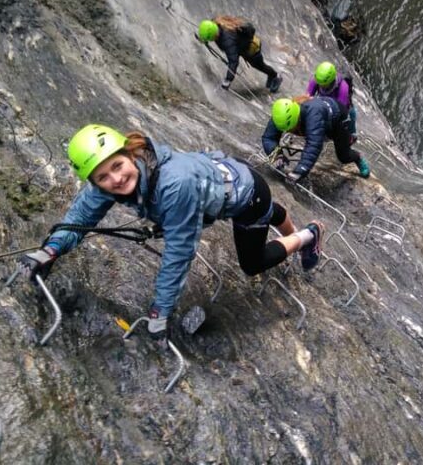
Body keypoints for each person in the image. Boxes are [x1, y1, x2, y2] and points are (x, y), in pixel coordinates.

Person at [18, 124, 323, 345]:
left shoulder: (174, 185)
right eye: (103, 177)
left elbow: (179, 253)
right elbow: (81, 216)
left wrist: (160, 310)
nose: (115, 178)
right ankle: (281, 219)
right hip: (230, 175)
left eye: (117, 166)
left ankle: (308, 235)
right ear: (95, 181)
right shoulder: (118, 174)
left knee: (252, 263)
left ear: (129, 153)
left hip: (244, 197)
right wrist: (51, 248)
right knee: (267, 209)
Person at [262, 97, 370, 182]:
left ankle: (357, 157)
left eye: (291, 128)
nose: (289, 131)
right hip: (322, 109)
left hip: (337, 120)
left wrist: (300, 170)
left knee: (343, 156)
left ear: (298, 118)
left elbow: (314, 145)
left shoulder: (313, 116)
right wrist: (276, 154)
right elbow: (268, 138)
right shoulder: (280, 116)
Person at [197, 16, 283, 93]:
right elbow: (207, 30)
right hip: (241, 45)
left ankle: (276, 76)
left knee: (259, 65)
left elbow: (233, 61)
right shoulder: (216, 24)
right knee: (258, 65)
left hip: (251, 48)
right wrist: (201, 37)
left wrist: (228, 80)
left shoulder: (228, 41)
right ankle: (272, 75)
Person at [306, 61, 357, 142]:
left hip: (342, 106)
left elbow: (341, 111)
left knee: (351, 117)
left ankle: (352, 136)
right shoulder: (316, 80)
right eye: (320, 83)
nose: (321, 86)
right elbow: (307, 99)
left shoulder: (343, 88)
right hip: (324, 101)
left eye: (323, 85)